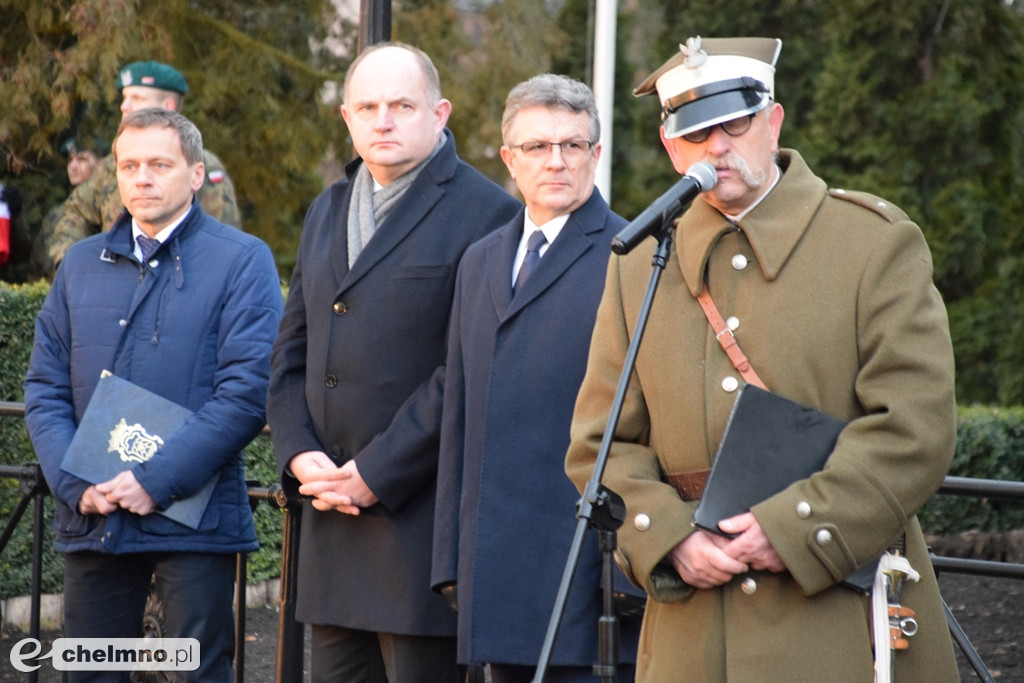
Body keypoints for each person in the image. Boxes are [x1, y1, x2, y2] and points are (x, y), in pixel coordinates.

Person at [564, 35, 960, 682]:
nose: (717, 147)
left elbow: (915, 426)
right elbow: (600, 443)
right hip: (690, 634)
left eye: (735, 124)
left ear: (772, 122)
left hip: (837, 627)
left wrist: (793, 526)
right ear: (671, 148)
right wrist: (669, 536)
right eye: (695, 134)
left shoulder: (872, 244)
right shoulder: (639, 266)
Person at [266, 42, 520, 682]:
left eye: (402, 106)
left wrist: (373, 472)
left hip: (416, 537)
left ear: (439, 114)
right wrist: (299, 455)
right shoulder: (326, 210)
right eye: (368, 107)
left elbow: (467, 369)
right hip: (328, 524)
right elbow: (291, 352)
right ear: (346, 118)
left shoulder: (490, 215)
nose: (383, 120)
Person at [24, 108, 283, 681]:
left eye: (159, 164)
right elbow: (43, 387)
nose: (142, 177)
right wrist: (75, 487)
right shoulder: (80, 267)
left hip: (193, 520)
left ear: (195, 174)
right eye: (129, 165)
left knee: (195, 671)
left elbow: (247, 391)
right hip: (95, 519)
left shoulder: (242, 260)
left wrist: (155, 480)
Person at [430, 74, 641, 683]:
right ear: (509, 161)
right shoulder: (480, 261)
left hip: (585, 581)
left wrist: (626, 573)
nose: (556, 161)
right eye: (538, 147)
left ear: (596, 155)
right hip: (495, 578)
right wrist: (451, 559)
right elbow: (460, 417)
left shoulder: (634, 255)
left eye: (572, 146)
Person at [46, 60, 241, 269]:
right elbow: (76, 214)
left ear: (168, 107)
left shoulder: (197, 165)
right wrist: (78, 267)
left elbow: (222, 246)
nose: (124, 106)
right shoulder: (111, 165)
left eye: (136, 98)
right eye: (124, 98)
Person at [34, 136, 110, 277]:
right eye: (70, 160)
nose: (73, 166)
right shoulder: (59, 212)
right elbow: (37, 266)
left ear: (102, 163)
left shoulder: (108, 203)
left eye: (81, 159)